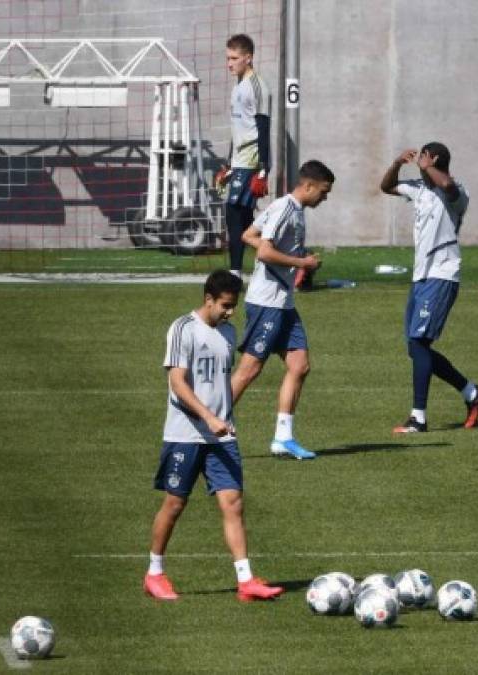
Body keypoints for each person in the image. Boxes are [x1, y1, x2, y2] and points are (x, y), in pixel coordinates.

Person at [143, 270, 284, 603]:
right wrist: (208, 417)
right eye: (225, 305)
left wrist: (224, 418)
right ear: (208, 299)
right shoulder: (182, 330)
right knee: (175, 503)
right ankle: (154, 573)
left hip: (221, 438)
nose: (230, 312)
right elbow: (177, 383)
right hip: (185, 435)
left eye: (233, 306)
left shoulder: (227, 332)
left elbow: (221, 384)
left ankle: (246, 580)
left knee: (233, 503)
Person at [380, 143, 478, 432]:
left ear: (435, 160)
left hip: (442, 274)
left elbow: (449, 187)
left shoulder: (456, 191)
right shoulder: (419, 188)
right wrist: (396, 164)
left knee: (418, 344)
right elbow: (387, 187)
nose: (420, 162)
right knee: (416, 348)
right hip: (421, 276)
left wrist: (429, 168)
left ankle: (418, 418)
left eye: (425, 158)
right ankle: (472, 393)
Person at [230, 160, 332, 460]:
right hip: (266, 303)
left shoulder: (288, 208)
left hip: (283, 303)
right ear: (309, 185)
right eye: (323, 192)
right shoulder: (286, 209)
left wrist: (289, 259)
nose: (324, 198)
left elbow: (248, 235)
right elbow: (262, 250)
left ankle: (283, 438)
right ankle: (208, 426)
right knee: (249, 371)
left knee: (299, 365)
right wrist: (302, 263)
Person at [216, 34, 271, 280]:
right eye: (228, 58)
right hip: (239, 160)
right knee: (245, 219)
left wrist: (263, 167)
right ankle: (276, 261)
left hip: (251, 160)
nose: (229, 63)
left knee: (234, 214)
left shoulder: (257, 86)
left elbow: (263, 127)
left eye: (234, 58)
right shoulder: (237, 86)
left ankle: (235, 273)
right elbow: (237, 128)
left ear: (248, 58)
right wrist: (228, 162)